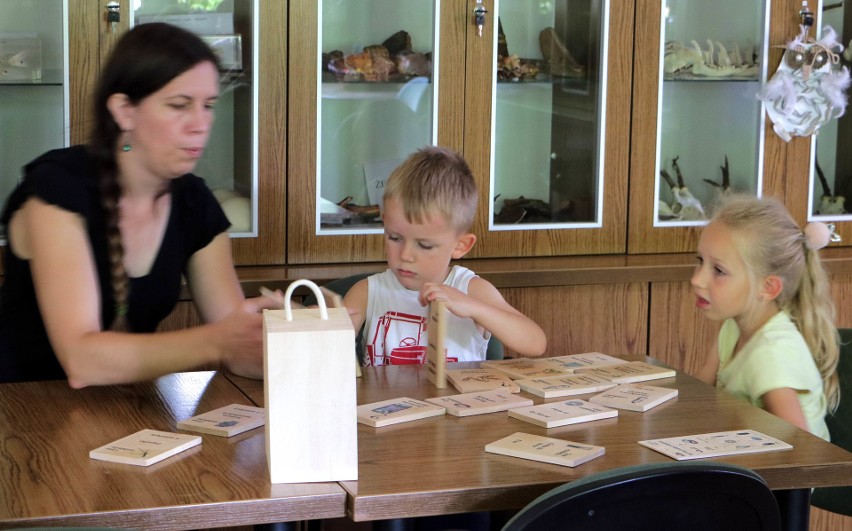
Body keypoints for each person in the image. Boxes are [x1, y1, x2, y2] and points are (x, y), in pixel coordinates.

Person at [0, 23, 280, 387]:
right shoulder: (57, 190)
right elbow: (83, 362)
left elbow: (239, 350)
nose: (200, 124)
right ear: (124, 111)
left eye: (208, 106)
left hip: (126, 413)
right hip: (23, 415)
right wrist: (218, 340)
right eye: (179, 105)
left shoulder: (194, 203)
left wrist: (314, 330)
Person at [343, 146, 547, 365]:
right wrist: (319, 328)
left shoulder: (471, 289)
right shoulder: (366, 292)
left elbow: (536, 343)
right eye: (394, 238)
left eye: (424, 245)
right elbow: (329, 355)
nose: (405, 255)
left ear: (460, 246)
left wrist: (473, 307)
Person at [691, 194, 839, 440]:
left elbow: (799, 451)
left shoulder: (769, 355)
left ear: (768, 288)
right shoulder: (733, 327)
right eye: (700, 261)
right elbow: (699, 394)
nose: (696, 279)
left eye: (718, 270)